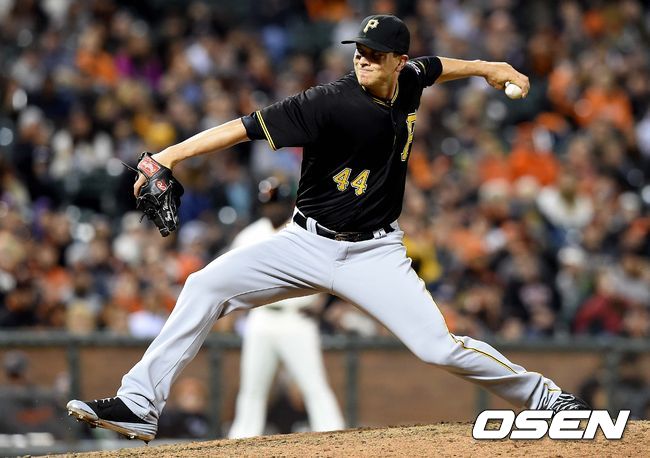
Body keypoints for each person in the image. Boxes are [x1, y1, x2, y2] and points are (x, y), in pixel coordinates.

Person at [67, 15, 589, 442]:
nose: (363, 58)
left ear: (398, 60)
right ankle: (139, 403)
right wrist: (168, 155)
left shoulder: (409, 79)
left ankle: (543, 396)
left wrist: (490, 67)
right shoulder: (327, 102)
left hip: (375, 254)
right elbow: (242, 128)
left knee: (437, 348)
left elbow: (438, 67)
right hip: (304, 242)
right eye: (359, 50)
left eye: (375, 53)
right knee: (204, 285)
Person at [227, 177, 344, 438]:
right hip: (261, 318)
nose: (271, 208)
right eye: (267, 204)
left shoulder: (306, 231)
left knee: (314, 386)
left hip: (297, 320)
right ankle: (241, 440)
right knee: (252, 389)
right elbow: (231, 276)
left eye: (276, 203)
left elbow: (334, 268)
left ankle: (334, 437)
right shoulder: (250, 236)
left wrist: (324, 302)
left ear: (289, 203)